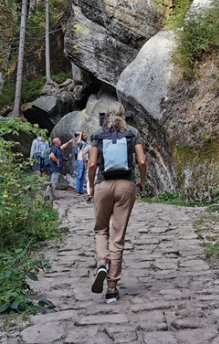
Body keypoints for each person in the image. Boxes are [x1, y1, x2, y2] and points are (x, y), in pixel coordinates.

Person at [88, 105, 147, 304]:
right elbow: (141, 160)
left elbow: (92, 164)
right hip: (126, 186)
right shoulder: (132, 133)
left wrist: (91, 186)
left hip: (103, 185)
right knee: (118, 236)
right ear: (123, 116)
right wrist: (143, 183)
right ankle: (112, 289)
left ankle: (102, 262)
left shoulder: (98, 134)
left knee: (100, 230)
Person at [45, 135, 73, 203]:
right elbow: (51, 155)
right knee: (53, 183)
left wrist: (69, 142)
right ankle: (48, 195)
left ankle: (49, 195)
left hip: (56, 169)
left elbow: (63, 146)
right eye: (59, 141)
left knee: (53, 182)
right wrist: (57, 161)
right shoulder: (54, 148)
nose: (60, 141)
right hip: (55, 168)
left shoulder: (57, 148)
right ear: (56, 142)